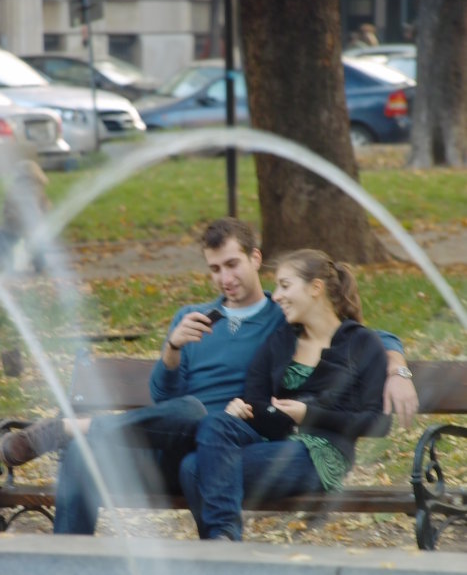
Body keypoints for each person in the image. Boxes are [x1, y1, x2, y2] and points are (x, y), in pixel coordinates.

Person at [0, 218, 417, 534]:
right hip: (172, 436)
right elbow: (162, 398)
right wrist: (172, 350)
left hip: (230, 439)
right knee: (95, 452)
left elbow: (363, 333)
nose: (226, 278)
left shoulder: (285, 314)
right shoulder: (191, 318)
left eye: (233, 264)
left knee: (195, 421)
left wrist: (397, 368)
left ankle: (75, 428)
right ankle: (69, 574)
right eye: (215, 269)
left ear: (255, 259)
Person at [179, 249, 391, 541]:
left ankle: (222, 549)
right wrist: (244, 411)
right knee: (210, 431)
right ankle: (224, 541)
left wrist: (307, 415)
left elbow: (378, 422)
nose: (276, 295)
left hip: (321, 453)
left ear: (316, 288)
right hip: (272, 442)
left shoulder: (360, 343)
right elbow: (256, 400)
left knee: (196, 469)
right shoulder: (280, 340)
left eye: (285, 285)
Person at [0, 159, 50, 273]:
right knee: (36, 245)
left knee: (4, 243)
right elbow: (44, 205)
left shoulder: (15, 188)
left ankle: (6, 265)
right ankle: (40, 265)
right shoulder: (38, 188)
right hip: (33, 224)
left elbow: (9, 207)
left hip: (14, 225)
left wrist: (8, 215)